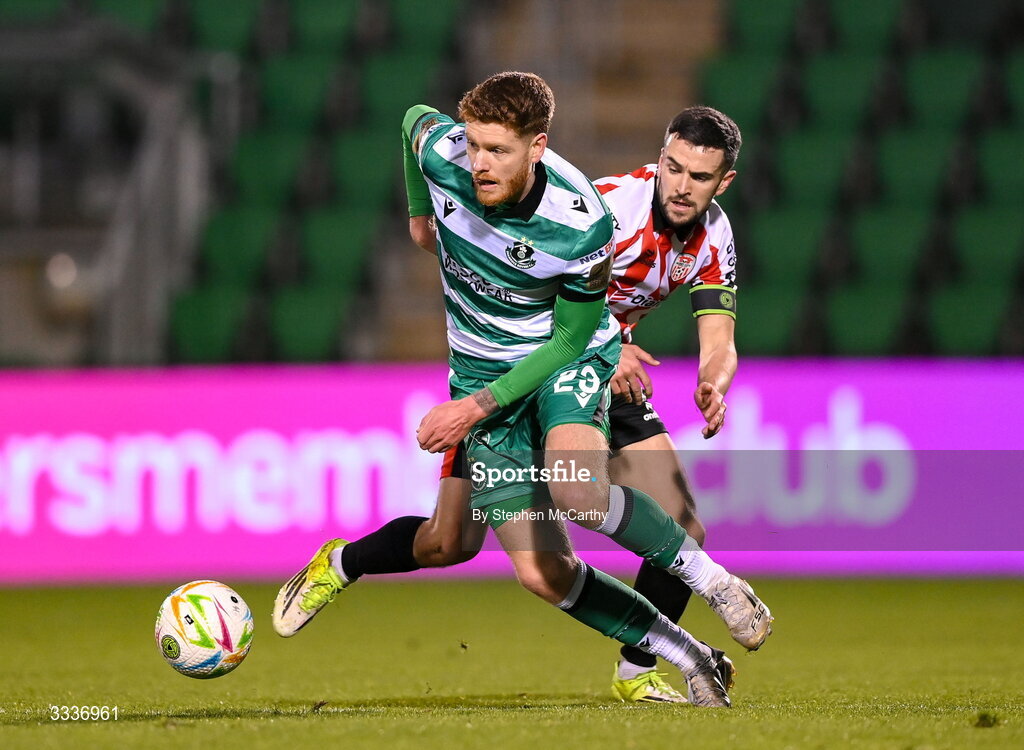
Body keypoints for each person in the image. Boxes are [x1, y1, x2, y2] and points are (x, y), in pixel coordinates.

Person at [274, 74, 765, 707]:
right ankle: (344, 563)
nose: (680, 185)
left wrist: (710, 381)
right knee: (454, 544)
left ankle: (650, 658)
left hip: (578, 358)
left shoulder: (664, 230)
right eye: (673, 167)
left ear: (721, 183)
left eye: (698, 178)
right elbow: (411, 121)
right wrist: (421, 217)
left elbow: (692, 336)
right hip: (513, 365)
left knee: (659, 516)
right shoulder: (609, 206)